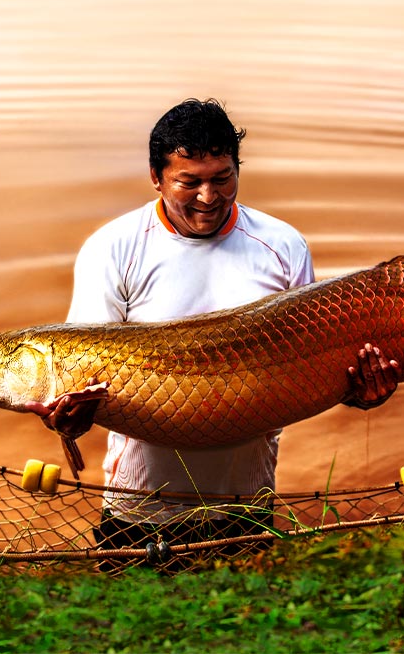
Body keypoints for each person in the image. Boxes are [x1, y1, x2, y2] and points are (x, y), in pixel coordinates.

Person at [33, 99, 400, 559]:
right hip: (142, 505)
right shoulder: (112, 249)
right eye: (189, 182)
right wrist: (65, 415)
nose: (209, 197)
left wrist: (363, 391)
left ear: (237, 170)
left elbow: (312, 367)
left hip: (247, 500)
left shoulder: (282, 244)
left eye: (222, 178)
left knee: (240, 624)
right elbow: (80, 370)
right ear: (156, 177)